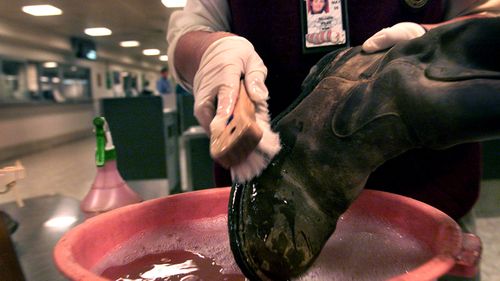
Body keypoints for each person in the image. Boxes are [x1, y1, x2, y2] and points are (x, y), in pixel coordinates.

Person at [167, 1, 500, 279]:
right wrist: (211, 51)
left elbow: (487, 13)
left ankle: (375, 92)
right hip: (269, 208)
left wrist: (428, 43)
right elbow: (189, 31)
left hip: (432, 203)